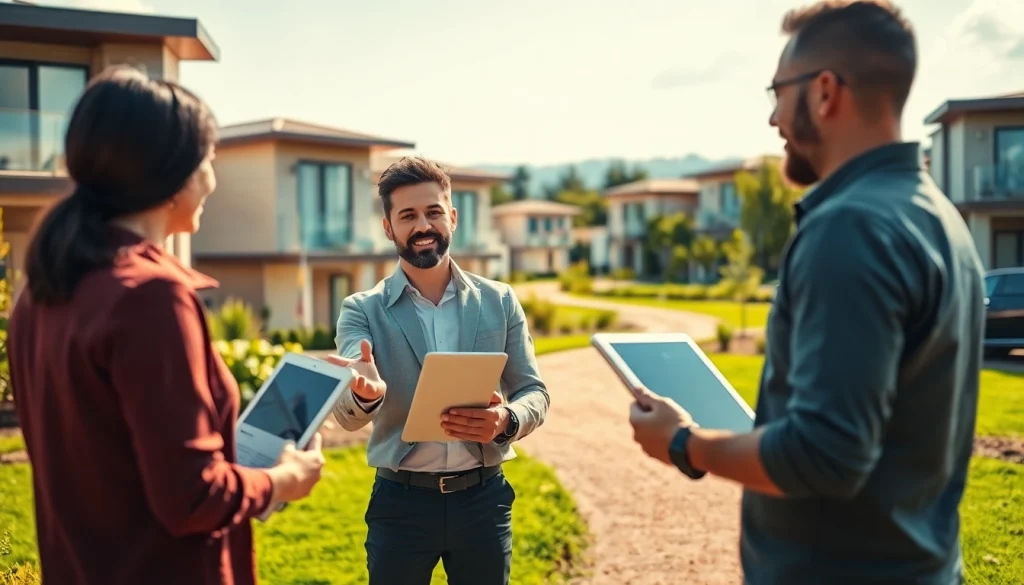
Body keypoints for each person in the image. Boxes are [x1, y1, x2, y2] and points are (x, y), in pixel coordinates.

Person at [628, 2, 985, 584]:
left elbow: (825, 456)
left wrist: (682, 442)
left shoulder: (850, 228)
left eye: (777, 91)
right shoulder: (938, 215)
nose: (773, 118)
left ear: (824, 92)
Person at [9, 66, 328, 585]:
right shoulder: (151, 297)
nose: (213, 179)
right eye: (209, 159)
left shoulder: (40, 293)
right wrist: (283, 480)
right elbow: (193, 498)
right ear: (174, 173)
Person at [330, 156, 549, 585]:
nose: (423, 225)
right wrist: (365, 395)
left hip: (484, 502)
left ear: (452, 217)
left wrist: (507, 420)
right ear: (388, 227)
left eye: (432, 212)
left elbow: (534, 392)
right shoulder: (361, 310)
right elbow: (346, 413)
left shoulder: (500, 301)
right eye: (407, 215)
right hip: (401, 504)